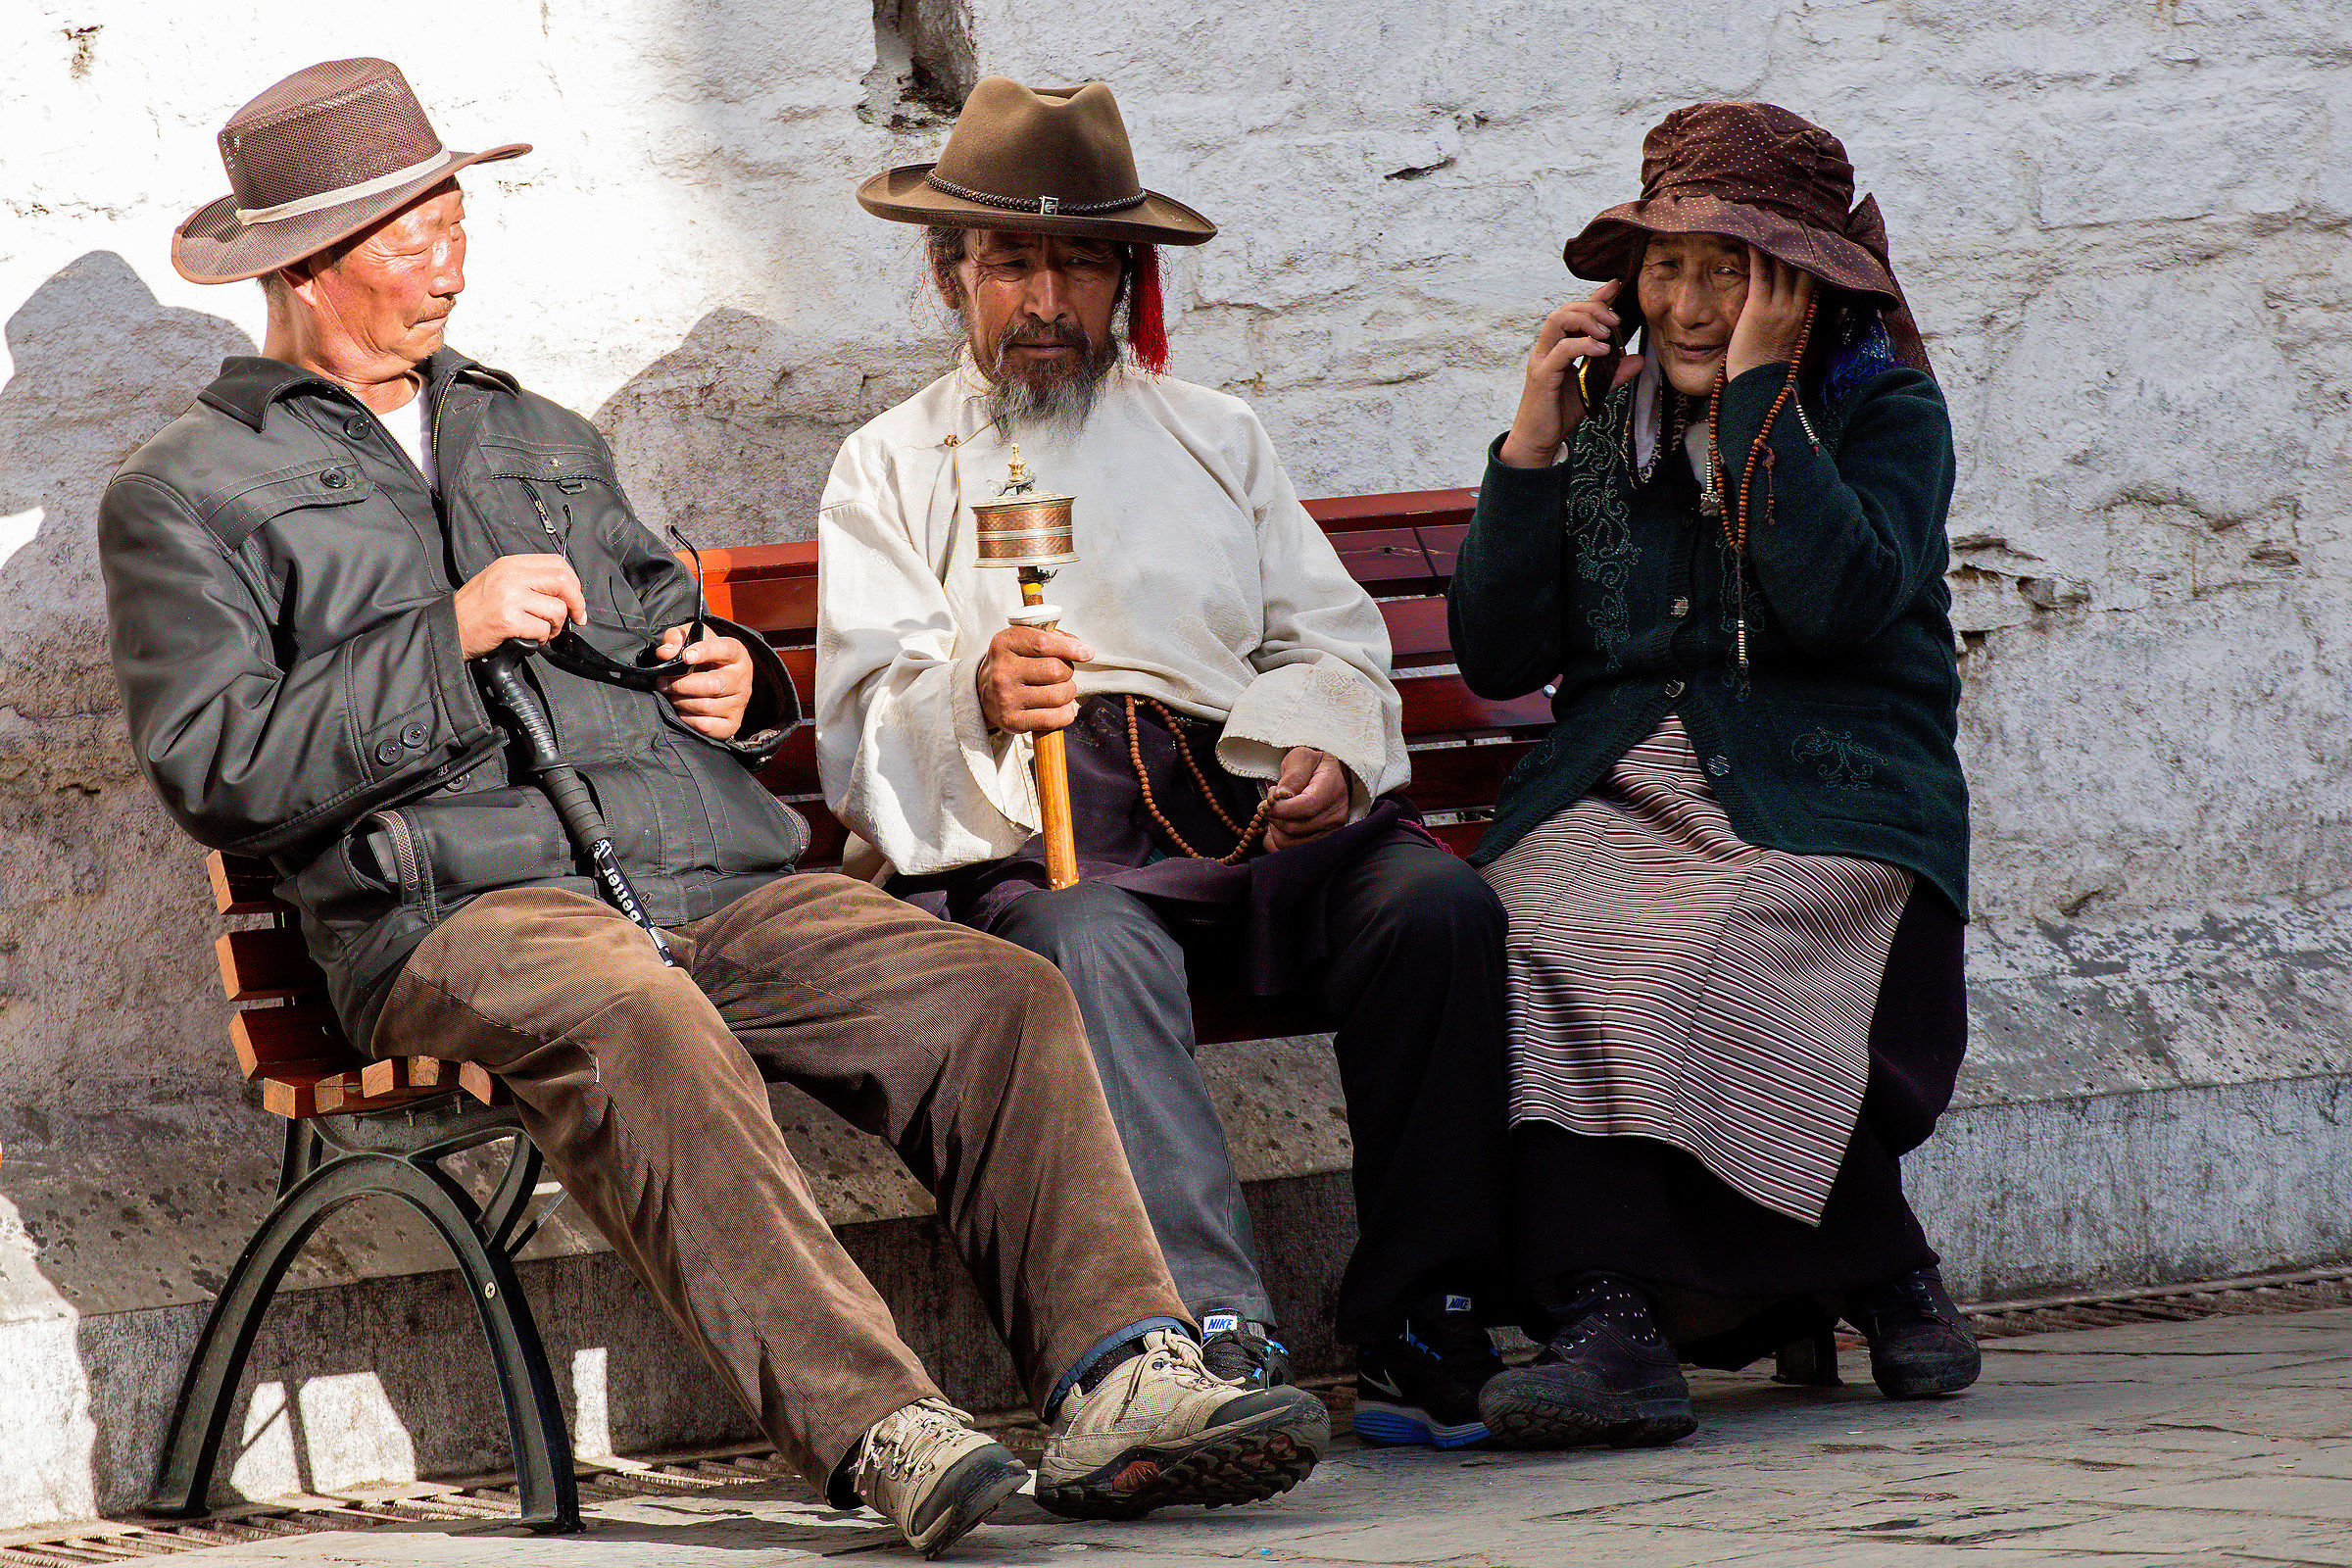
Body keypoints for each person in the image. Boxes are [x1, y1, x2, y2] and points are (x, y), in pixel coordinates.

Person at [99, 60, 1326, 1557]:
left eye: (456, 214)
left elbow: (658, 618)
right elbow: (215, 762)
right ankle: (882, 1424)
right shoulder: (188, 491)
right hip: (454, 913)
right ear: (303, 264)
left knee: (991, 992)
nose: (453, 257)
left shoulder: (533, 431)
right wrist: (448, 635)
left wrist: (731, 680)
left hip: (699, 876)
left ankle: (1123, 1378)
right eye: (411, 233)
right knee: (641, 1015)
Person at [817, 77, 1516, 1449]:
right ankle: (1203, 1330)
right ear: (947, 273)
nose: (1044, 298)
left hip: (1236, 812)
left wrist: (1320, 738)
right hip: (1042, 829)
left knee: (1439, 909)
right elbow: (861, 716)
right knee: (1086, 942)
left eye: (1079, 262)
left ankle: (1422, 1315)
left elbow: (1329, 639)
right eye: (1011, 260)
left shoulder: (1217, 437)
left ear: (1122, 277)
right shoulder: (890, 465)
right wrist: (973, 687)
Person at [1446, 101, 1981, 1449]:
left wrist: (1757, 401)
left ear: (1798, 290)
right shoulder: (1594, 422)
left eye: (1728, 272)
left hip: (1832, 791)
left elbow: (1843, 606)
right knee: (1524, 928)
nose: (1687, 304)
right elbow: (1499, 650)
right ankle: (1826, 1271)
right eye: (1666, 267)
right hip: (1616, 788)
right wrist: (1526, 440)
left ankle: (1643, 1308)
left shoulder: (1885, 412)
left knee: (1704, 940)